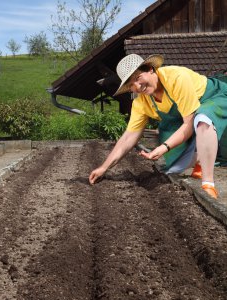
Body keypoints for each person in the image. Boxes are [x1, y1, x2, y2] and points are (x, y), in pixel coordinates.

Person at [89, 53, 227, 198]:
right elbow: (128, 137)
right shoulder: (141, 102)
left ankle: (208, 185)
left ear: (150, 69)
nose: (137, 86)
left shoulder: (176, 78)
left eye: (138, 78)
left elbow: (188, 124)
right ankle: (200, 159)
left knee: (203, 119)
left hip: (216, 97)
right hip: (191, 115)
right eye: (131, 86)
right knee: (173, 164)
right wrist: (103, 168)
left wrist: (163, 147)